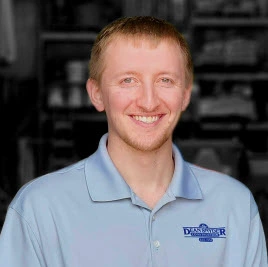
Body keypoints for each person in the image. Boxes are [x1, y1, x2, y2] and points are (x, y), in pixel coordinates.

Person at [0, 16, 267, 267]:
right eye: (128, 80)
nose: (148, 102)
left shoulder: (234, 206)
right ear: (97, 94)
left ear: (186, 95)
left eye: (165, 80)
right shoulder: (39, 209)